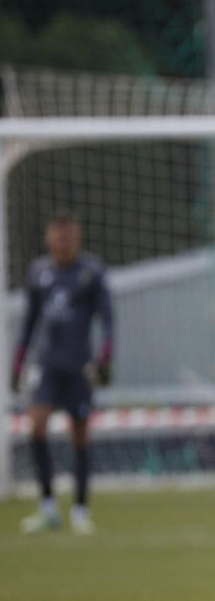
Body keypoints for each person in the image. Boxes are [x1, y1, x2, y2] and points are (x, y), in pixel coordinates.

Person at [11, 212, 114, 535]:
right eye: (59, 235)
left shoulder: (91, 273)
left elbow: (108, 321)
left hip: (78, 365)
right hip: (48, 364)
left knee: (80, 435)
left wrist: (105, 360)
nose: (64, 241)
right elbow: (29, 323)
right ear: (49, 238)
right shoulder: (38, 274)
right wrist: (17, 363)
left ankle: (81, 510)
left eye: (69, 235)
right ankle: (48, 508)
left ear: (77, 238)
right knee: (36, 426)